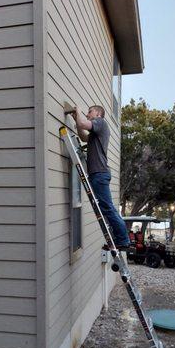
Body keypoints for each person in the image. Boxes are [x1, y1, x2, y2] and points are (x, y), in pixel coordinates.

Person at [71, 105, 130, 249]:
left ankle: (123, 240)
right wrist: (77, 120)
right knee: (105, 208)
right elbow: (84, 136)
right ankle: (117, 238)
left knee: (108, 208)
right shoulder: (95, 132)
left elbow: (83, 123)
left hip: (99, 173)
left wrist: (77, 112)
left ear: (98, 113)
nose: (87, 114)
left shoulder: (101, 123)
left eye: (89, 111)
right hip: (98, 174)